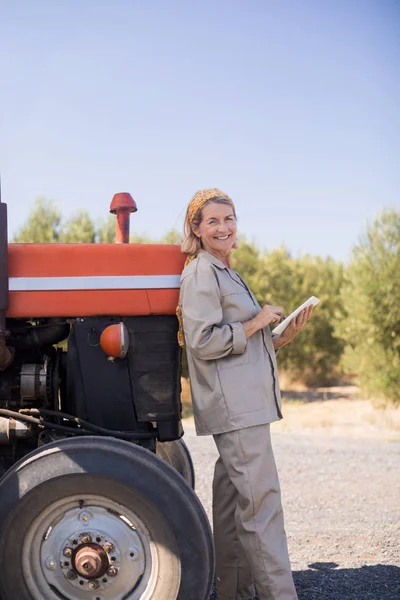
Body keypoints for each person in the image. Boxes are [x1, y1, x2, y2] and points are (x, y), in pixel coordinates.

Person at [177, 188, 313, 600]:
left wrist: (280, 336)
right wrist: (255, 323)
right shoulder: (201, 272)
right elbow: (202, 342)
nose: (223, 227)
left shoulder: (226, 272)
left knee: (236, 502)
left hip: (245, 404)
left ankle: (234, 591)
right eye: (213, 221)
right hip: (236, 407)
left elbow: (238, 343)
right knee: (262, 506)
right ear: (197, 230)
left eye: (229, 219)